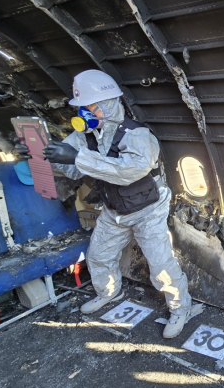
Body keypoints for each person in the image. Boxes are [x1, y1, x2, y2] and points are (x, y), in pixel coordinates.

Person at [15, 70, 191, 338]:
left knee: (161, 265)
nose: (85, 112)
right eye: (81, 107)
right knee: (99, 256)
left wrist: (78, 157)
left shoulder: (137, 135)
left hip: (148, 210)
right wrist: (42, 155)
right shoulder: (84, 137)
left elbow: (130, 171)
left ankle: (181, 309)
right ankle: (109, 292)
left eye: (89, 106)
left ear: (108, 104)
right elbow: (73, 170)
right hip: (114, 210)